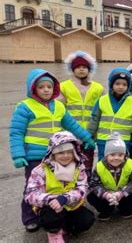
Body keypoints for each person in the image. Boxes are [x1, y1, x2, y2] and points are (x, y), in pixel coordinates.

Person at [9, 69, 95, 232]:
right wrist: (18, 155)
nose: (46, 90)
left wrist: (86, 138)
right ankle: (30, 218)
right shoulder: (25, 107)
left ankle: (58, 211)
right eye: (41, 87)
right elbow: (16, 132)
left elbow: (72, 125)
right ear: (33, 89)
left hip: (56, 155)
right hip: (34, 155)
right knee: (32, 186)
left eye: (49, 86)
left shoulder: (59, 106)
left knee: (58, 184)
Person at [24, 131, 95, 242]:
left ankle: (64, 229)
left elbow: (82, 188)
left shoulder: (79, 167)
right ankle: (54, 234)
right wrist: (51, 199)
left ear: (74, 152)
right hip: (50, 207)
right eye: (60, 153)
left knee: (87, 220)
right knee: (50, 217)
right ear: (53, 154)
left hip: (71, 205)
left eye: (69, 152)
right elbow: (30, 194)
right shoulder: (40, 170)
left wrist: (65, 198)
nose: (65, 156)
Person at [59, 51, 104, 173]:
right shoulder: (63, 87)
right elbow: (59, 109)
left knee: (87, 164)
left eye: (84, 67)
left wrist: (96, 132)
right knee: (70, 163)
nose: (81, 70)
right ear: (72, 70)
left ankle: (87, 188)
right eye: (78, 67)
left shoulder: (98, 88)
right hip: (70, 133)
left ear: (89, 70)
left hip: (89, 133)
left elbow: (102, 111)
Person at [87, 68, 132, 160]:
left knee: (122, 164)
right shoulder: (102, 100)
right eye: (117, 84)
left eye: (124, 84)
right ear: (111, 84)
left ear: (128, 86)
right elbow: (94, 119)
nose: (120, 87)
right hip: (103, 140)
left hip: (123, 141)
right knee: (103, 164)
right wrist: (88, 136)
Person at [87, 132, 132, 220]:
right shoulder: (99, 166)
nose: (116, 158)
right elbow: (93, 184)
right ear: (106, 155)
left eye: (120, 155)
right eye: (112, 155)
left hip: (123, 194)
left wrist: (121, 193)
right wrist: (105, 194)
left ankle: (125, 208)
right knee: (91, 197)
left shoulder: (130, 164)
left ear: (125, 155)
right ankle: (106, 210)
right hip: (106, 195)